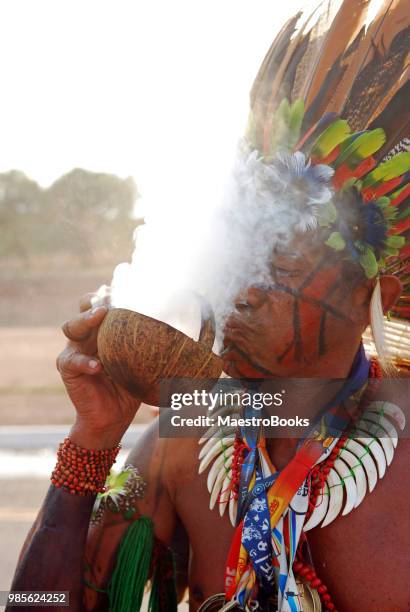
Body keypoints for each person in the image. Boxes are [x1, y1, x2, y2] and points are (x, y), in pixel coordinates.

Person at [8, 1, 410, 610]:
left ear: (373, 297)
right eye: (233, 262)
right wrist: (94, 438)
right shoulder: (183, 439)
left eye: (280, 268)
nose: (241, 289)